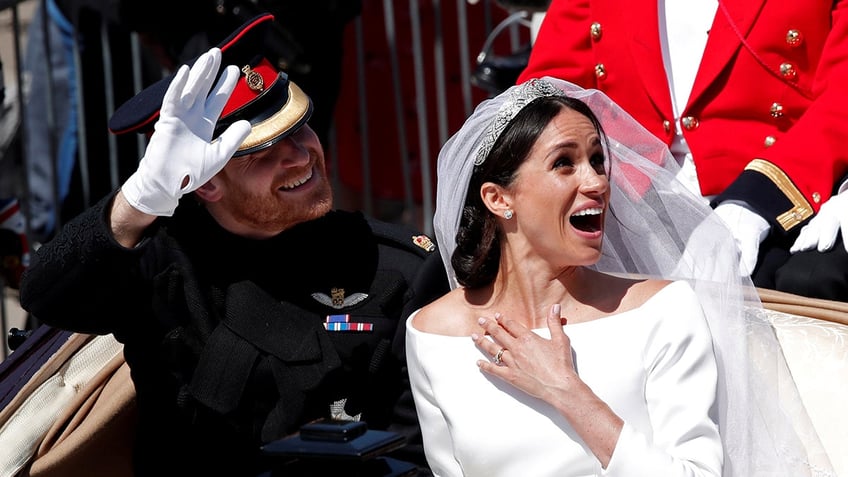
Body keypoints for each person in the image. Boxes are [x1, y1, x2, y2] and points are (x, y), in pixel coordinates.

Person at [18, 14, 448, 477]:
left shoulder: (396, 264)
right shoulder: (164, 261)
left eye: (300, 128)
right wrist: (139, 199)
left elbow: (416, 447)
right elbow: (47, 297)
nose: (302, 156)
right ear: (204, 183)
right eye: (264, 153)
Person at [404, 77, 834, 476]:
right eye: (564, 164)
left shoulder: (663, 311)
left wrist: (569, 393)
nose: (597, 182)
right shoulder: (432, 334)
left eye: (596, 159)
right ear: (499, 199)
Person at [516, 0, 848, 301]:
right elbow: (551, 91)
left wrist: (757, 199)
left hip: (769, 197)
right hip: (625, 199)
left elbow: (841, 95)